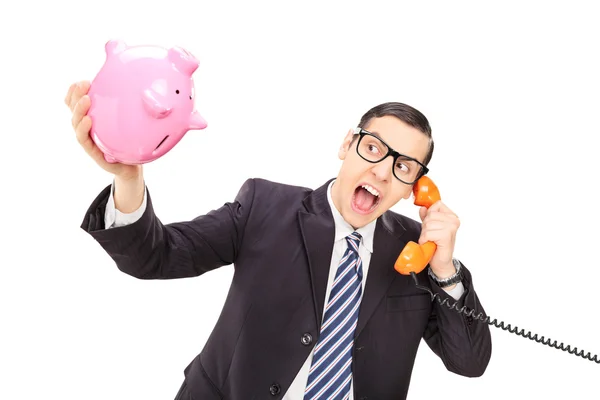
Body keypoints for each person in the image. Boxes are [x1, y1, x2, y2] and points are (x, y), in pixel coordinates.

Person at [66, 80, 492, 400]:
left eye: (405, 167)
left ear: (415, 186)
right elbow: (156, 257)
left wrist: (445, 271)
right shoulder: (263, 206)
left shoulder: (417, 253)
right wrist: (128, 178)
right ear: (348, 145)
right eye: (375, 149)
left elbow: (468, 363)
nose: (383, 172)